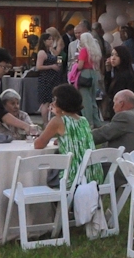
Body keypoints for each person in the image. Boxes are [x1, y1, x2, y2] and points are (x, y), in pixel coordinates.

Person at [34, 83, 104, 227]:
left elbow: (38, 144)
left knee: (47, 177)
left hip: (73, 177)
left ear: (61, 102)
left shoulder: (58, 121)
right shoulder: (83, 121)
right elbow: (76, 141)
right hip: (93, 175)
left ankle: (52, 219)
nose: (52, 103)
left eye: (55, 99)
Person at [104, 40, 134, 117]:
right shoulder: (117, 73)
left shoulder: (125, 75)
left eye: (117, 55)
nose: (113, 58)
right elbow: (108, 90)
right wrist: (108, 71)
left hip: (122, 111)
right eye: (112, 55)